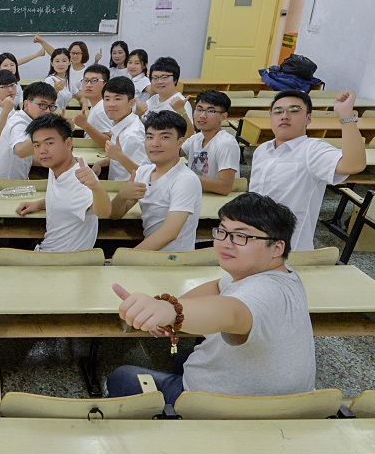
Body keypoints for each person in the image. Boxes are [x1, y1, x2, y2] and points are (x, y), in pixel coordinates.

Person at [106, 192, 314, 404]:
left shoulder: (261, 293)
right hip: (285, 401)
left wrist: (171, 312)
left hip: (229, 406)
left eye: (241, 236)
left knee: (121, 377)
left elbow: (231, 313)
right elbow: (218, 287)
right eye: (222, 232)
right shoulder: (279, 273)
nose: (225, 243)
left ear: (277, 247)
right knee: (184, 358)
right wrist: (167, 304)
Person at [249, 90, 366, 252]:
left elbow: (354, 164)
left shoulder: (312, 150)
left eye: (294, 110)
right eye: (278, 111)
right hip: (254, 238)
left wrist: (345, 115)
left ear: (308, 118)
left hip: (289, 248)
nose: (284, 116)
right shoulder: (262, 150)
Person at [16, 114, 111, 252]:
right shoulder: (55, 165)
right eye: (37, 145)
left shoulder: (79, 179)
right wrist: (39, 204)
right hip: (49, 249)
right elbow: (65, 199)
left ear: (68, 143)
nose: (42, 151)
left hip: (61, 259)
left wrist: (96, 188)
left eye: (49, 143)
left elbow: (103, 212)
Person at [109, 111, 201, 251]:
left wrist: (129, 257)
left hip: (174, 259)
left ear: (180, 142)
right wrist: (122, 196)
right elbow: (115, 215)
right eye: (150, 137)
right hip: (150, 255)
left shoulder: (185, 180)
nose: (155, 144)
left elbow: (169, 233)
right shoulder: (143, 172)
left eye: (164, 137)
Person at [0, 82, 57, 182]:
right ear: (26, 104)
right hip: (3, 185)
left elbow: (29, 156)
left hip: (15, 181)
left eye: (51, 106)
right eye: (42, 105)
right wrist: (52, 132)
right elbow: (20, 151)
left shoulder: (32, 122)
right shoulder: (19, 122)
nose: (48, 111)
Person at [182, 90, 240, 195]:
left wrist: (185, 176)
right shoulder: (196, 138)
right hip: (197, 193)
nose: (202, 115)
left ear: (223, 116)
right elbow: (173, 153)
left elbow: (225, 187)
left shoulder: (226, 143)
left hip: (217, 198)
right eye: (199, 109)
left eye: (210, 111)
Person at [97, 77, 149, 182]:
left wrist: (120, 157)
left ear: (131, 103)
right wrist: (101, 163)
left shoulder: (133, 135)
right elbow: (119, 158)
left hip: (126, 189)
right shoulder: (121, 123)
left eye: (117, 99)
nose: (111, 104)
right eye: (107, 99)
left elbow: (145, 176)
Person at [141, 57, 193, 136]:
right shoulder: (153, 99)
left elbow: (188, 135)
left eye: (164, 77)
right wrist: (138, 114)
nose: (159, 82)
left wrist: (181, 111)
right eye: (155, 78)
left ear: (175, 79)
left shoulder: (180, 103)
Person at [72, 64, 112, 147]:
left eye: (94, 81)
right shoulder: (97, 106)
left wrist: (85, 125)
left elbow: (109, 142)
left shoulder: (101, 110)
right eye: (85, 80)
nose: (88, 85)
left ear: (105, 84)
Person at [45, 48, 79, 113]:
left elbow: (80, 97)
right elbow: (45, 101)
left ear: (69, 62)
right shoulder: (49, 80)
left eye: (64, 61)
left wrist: (84, 104)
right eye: (57, 61)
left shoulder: (68, 81)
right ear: (52, 63)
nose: (61, 64)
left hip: (62, 114)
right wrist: (55, 91)